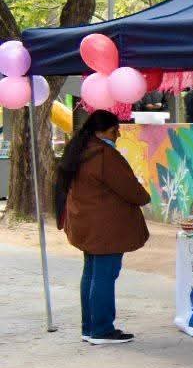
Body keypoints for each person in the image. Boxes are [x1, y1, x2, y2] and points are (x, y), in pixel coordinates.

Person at [57, 110, 150, 345]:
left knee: (91, 273)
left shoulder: (79, 150)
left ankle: (89, 328)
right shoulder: (104, 155)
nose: (118, 135)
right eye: (114, 130)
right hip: (105, 227)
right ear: (101, 132)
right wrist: (144, 196)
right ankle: (102, 329)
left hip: (86, 223)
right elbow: (130, 188)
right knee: (104, 276)